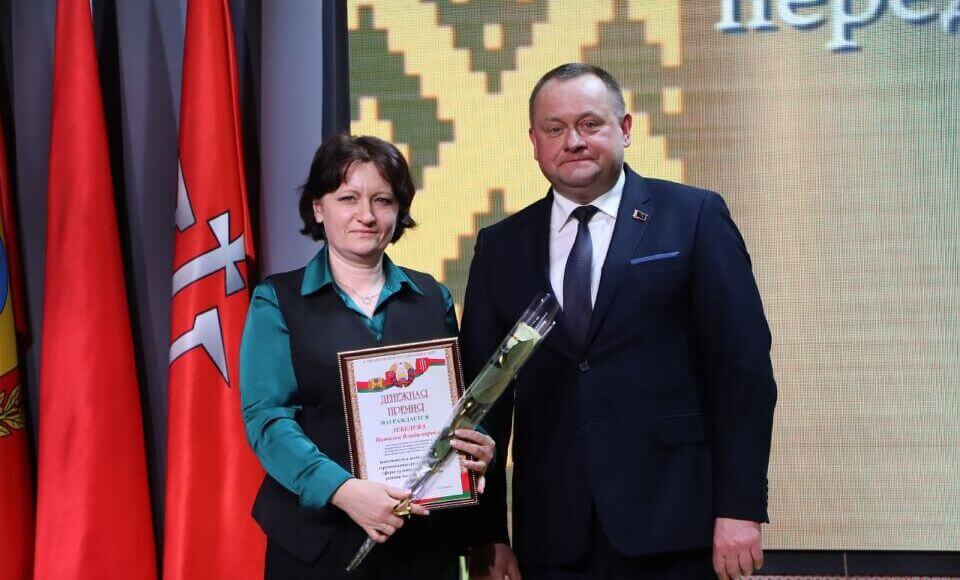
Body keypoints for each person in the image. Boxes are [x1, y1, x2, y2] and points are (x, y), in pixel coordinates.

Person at [462, 63, 777, 579]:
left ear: (625, 128)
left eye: (590, 124)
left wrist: (740, 506)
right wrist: (488, 531)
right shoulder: (501, 247)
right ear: (534, 143)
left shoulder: (693, 216)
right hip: (552, 534)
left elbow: (743, 373)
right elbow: (484, 403)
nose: (573, 141)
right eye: (555, 129)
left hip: (676, 524)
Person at [239, 134, 495, 579]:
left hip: (421, 543)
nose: (367, 215)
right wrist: (342, 490)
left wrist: (476, 447)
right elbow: (267, 420)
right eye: (348, 198)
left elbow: (455, 408)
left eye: (383, 200)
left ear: (399, 212)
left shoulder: (431, 297)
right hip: (317, 544)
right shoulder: (277, 300)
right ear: (319, 208)